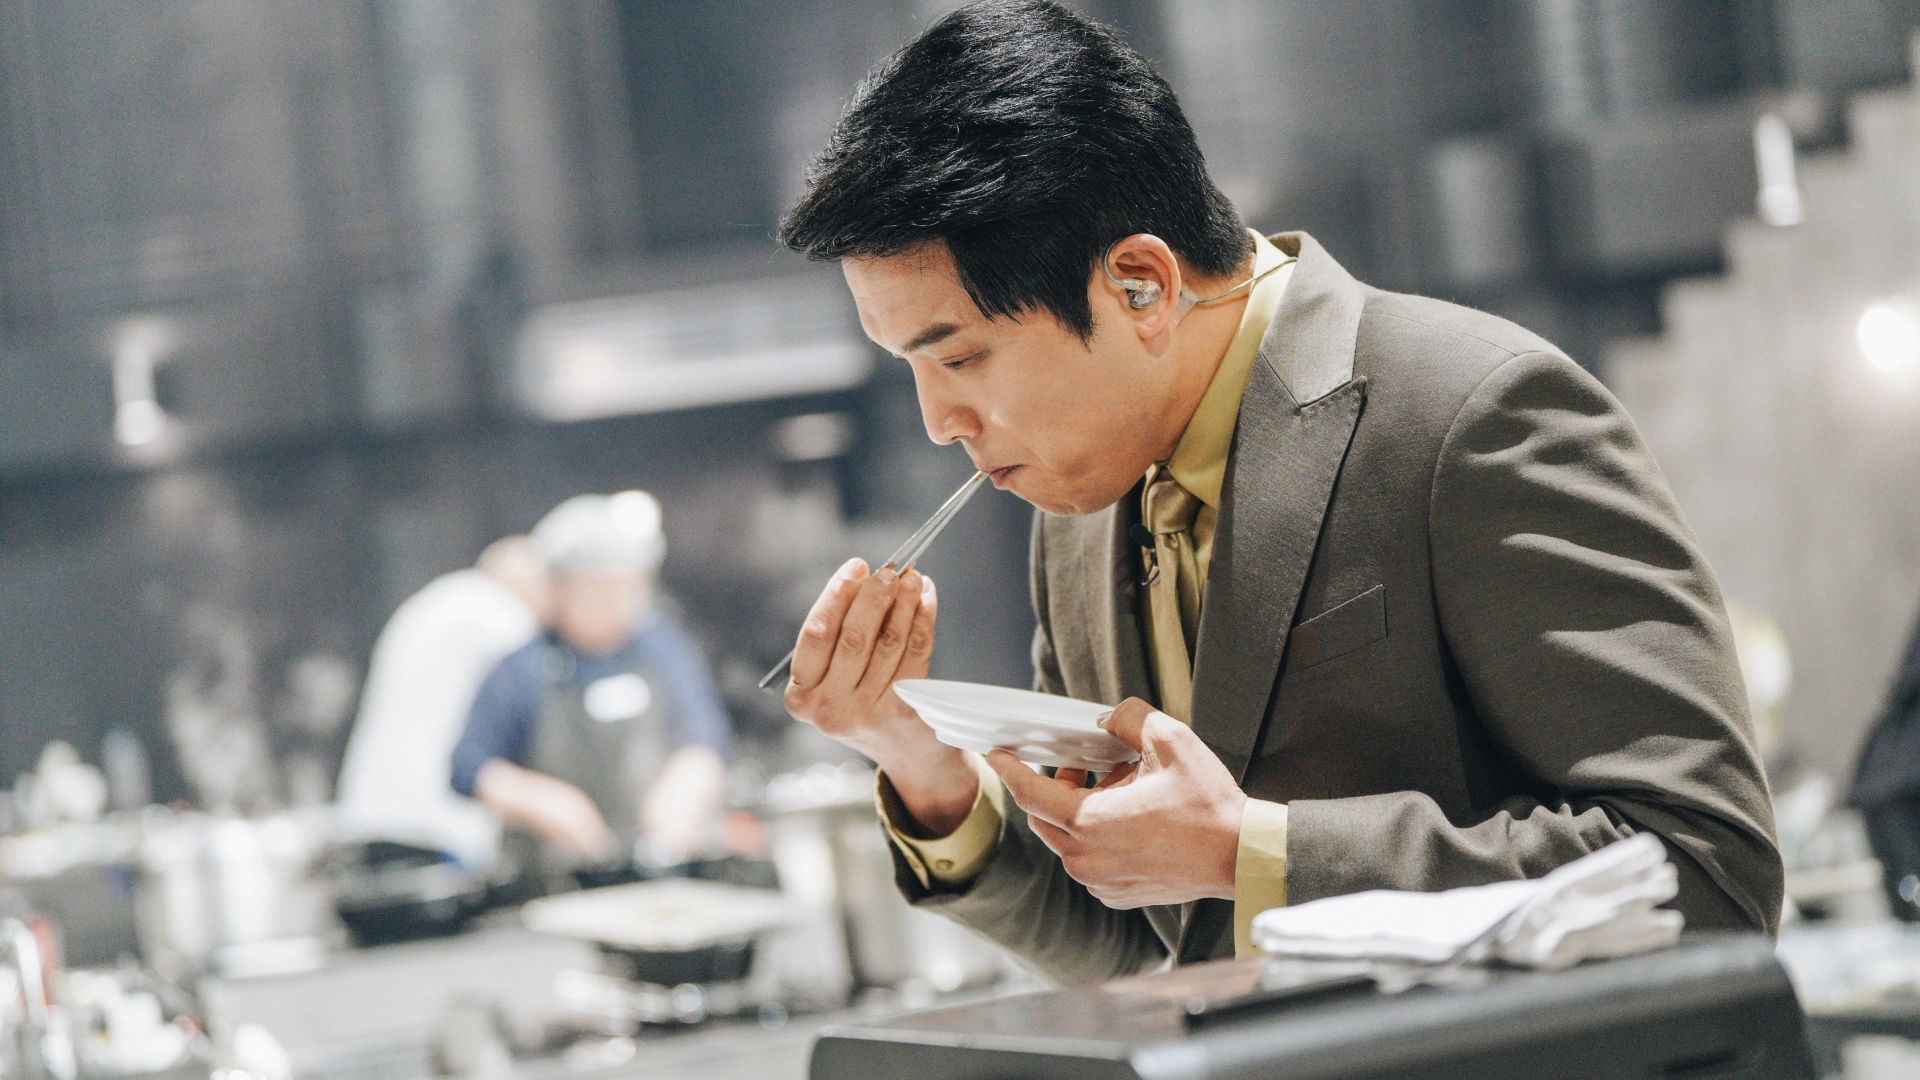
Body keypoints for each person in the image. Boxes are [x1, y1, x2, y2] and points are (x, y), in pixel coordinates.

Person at [773, 0, 1782, 985]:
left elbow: (1705, 876)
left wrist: (1253, 852)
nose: (937, 420)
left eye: (959, 357)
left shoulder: (1474, 412)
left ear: (1140, 285)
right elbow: (1160, 947)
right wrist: (921, 765)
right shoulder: (1080, 514)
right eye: (910, 367)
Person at [450, 492, 733, 870]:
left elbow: (706, 739)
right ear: (559, 590)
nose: (616, 603)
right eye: (599, 589)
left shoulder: (661, 650)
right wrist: (543, 801)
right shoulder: (522, 669)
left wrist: (687, 788)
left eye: (627, 588)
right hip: (557, 877)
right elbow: (468, 768)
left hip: (661, 866)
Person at [335, 536, 551, 869]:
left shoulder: (434, 602)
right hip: (434, 820)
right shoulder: (497, 611)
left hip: (374, 812)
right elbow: (536, 682)